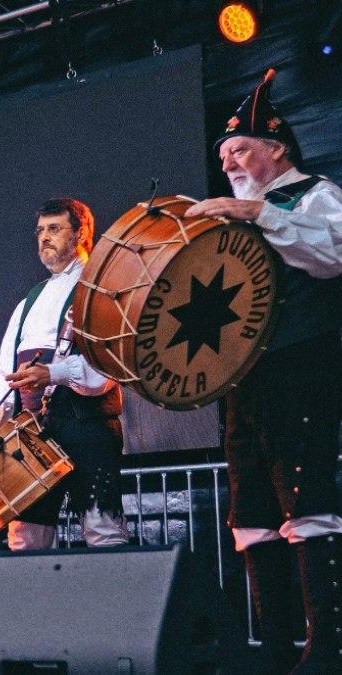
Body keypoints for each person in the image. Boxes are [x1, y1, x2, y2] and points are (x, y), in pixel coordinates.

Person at [185, 69, 342, 674]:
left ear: (277, 148)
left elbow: (332, 255)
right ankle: (276, 651)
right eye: (223, 154)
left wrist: (258, 214)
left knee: (307, 500)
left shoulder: (314, 195)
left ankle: (326, 651)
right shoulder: (238, 216)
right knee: (251, 514)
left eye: (240, 149)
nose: (228, 162)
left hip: (302, 365)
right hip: (245, 379)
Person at [0, 198, 130, 551]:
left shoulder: (100, 289)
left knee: (102, 528)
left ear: (81, 234)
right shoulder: (29, 300)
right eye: (40, 231)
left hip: (87, 425)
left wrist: (52, 373)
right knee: (25, 536)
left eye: (54, 229)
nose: (44, 237)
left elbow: (108, 366)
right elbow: (7, 367)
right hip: (33, 431)